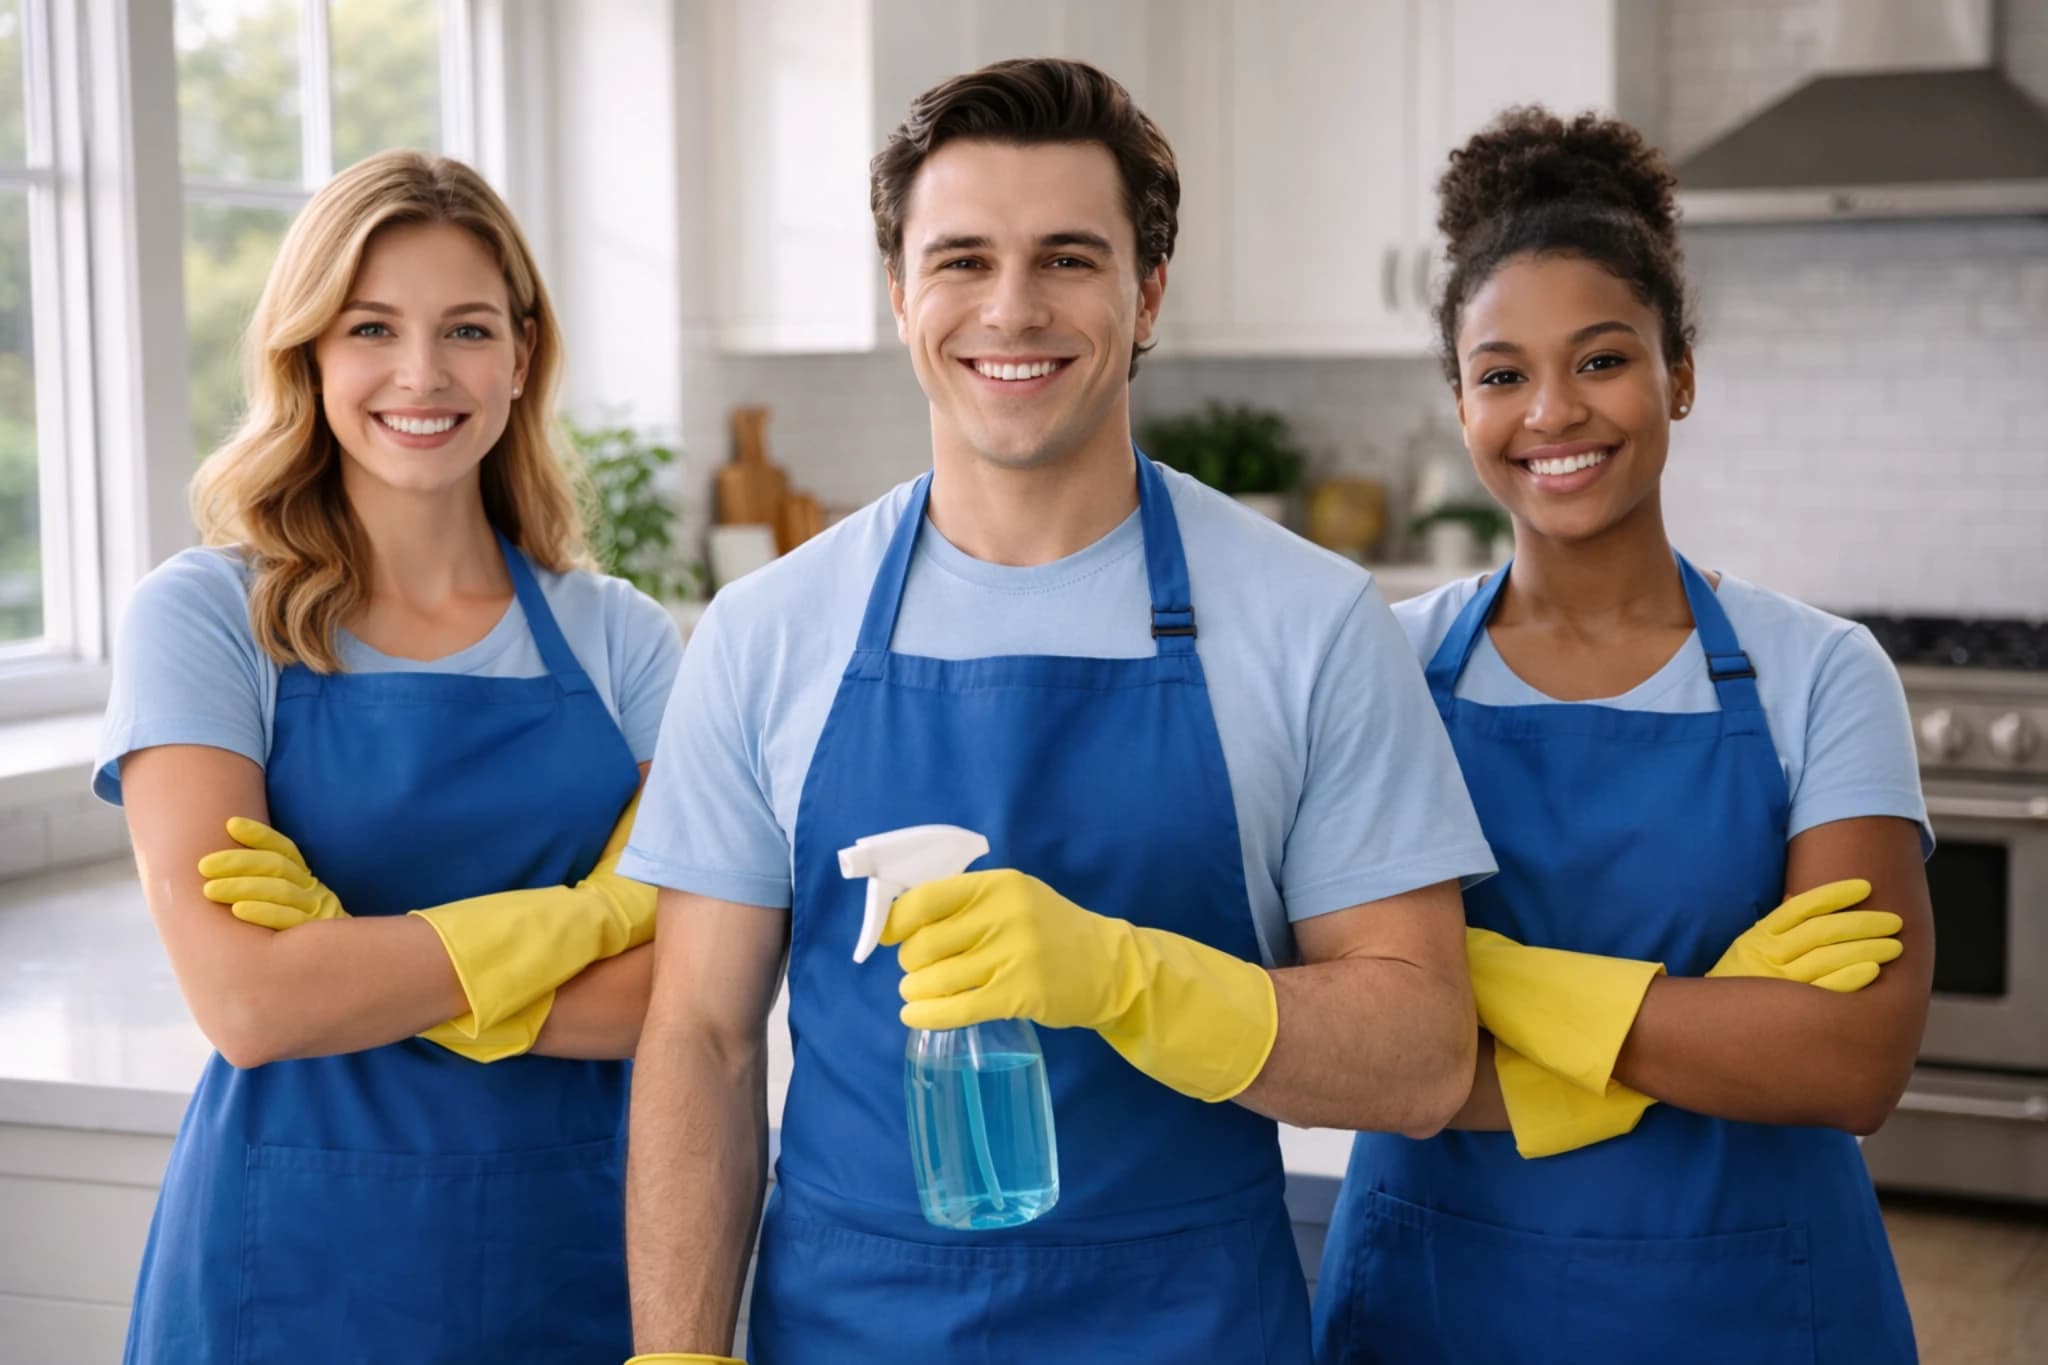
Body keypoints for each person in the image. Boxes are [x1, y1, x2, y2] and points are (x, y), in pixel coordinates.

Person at [618, 59, 1497, 1365]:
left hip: (1190, 1329)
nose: (1012, 309)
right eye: (961, 258)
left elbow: (1422, 1054)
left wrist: (1124, 979)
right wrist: (679, 1353)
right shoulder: (766, 631)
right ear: (899, 293)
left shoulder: (1307, 619)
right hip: (853, 1331)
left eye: (1068, 259)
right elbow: (699, 1035)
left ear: (1146, 294)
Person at [1311, 108, 1933, 1364]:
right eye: (1500, 373)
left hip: (1753, 1308)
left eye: (1599, 360)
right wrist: (1720, 1022)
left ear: (1678, 374)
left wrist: (1469, 983)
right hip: (1436, 1304)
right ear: (1459, 402)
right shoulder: (1374, 662)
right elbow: (1363, 1053)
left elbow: (1846, 1062)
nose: (1552, 411)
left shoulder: (1819, 675)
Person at [95, 150, 681, 1363]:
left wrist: (348, 962)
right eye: (371, 327)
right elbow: (250, 1003)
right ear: (308, 352)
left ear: (522, 356)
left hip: (569, 1258)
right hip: (288, 1265)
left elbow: (675, 1002)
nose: (421, 374)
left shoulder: (618, 636)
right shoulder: (208, 619)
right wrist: (582, 920)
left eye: (465, 329)